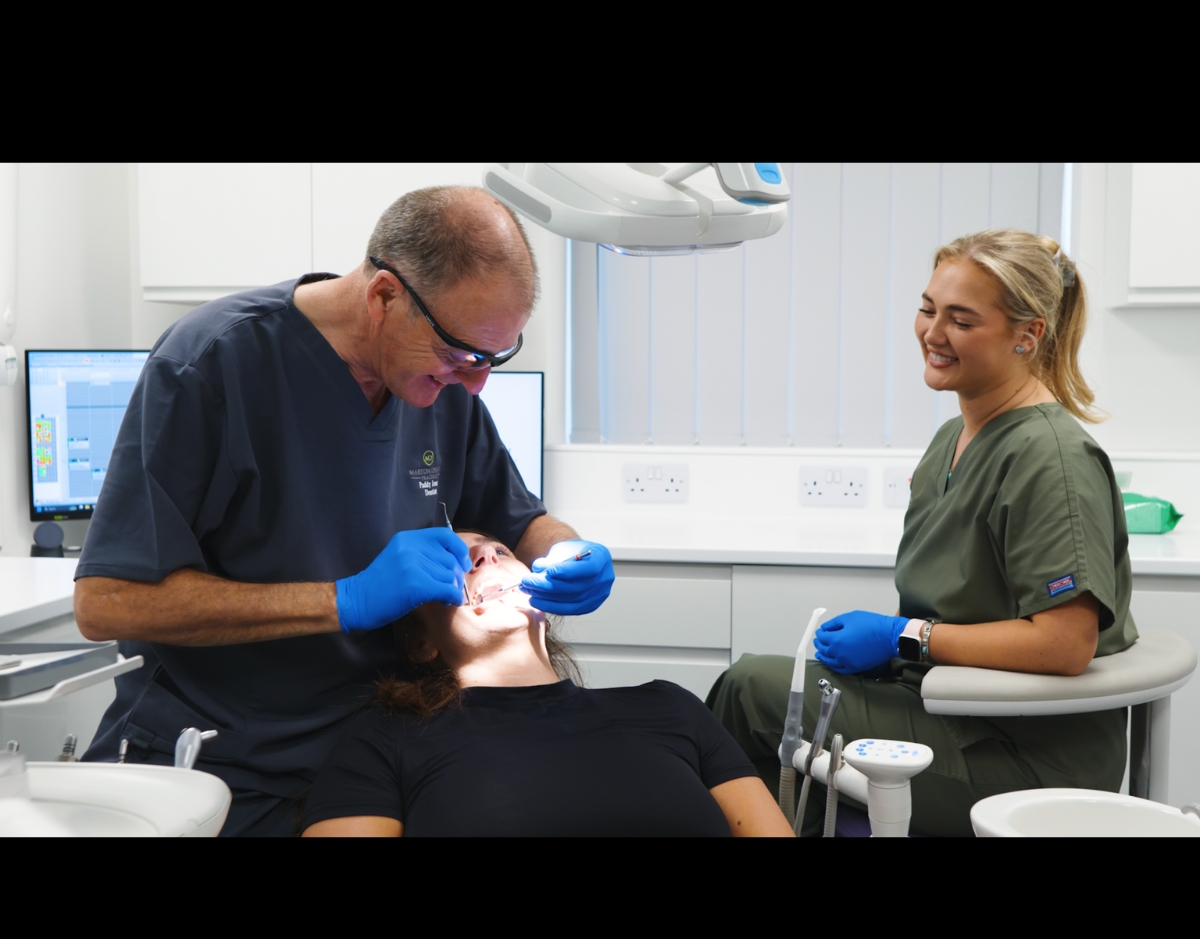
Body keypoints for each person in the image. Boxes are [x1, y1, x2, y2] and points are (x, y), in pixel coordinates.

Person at [72, 187, 615, 836]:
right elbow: (107, 602)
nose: (476, 384)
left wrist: (565, 549)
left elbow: (518, 519)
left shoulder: (441, 383)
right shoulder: (213, 364)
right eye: (462, 356)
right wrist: (343, 600)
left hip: (377, 758)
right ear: (384, 297)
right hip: (222, 767)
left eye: (495, 358)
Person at [707, 229, 1136, 837]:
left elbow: (1065, 644)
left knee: (751, 691)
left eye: (961, 320)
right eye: (928, 309)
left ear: (1027, 334)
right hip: (948, 707)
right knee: (750, 691)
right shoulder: (954, 439)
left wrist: (903, 637)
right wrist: (897, 648)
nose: (933, 333)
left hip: (1022, 754)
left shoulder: (1050, 458)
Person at [302, 531, 792, 837]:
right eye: (456, 563)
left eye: (500, 550)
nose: (486, 557)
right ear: (421, 642)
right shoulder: (388, 738)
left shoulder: (669, 706)